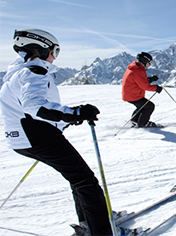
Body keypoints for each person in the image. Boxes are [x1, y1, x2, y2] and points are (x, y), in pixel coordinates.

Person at [0, 29, 112, 235]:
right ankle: (102, 232)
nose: (55, 57)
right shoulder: (35, 72)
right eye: (55, 50)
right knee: (87, 183)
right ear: (41, 49)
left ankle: (88, 223)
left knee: (77, 179)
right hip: (39, 138)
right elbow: (34, 107)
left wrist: (64, 120)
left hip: (22, 139)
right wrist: (75, 113)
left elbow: (25, 111)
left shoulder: (15, 75)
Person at [122, 52, 163, 128]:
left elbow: (140, 81)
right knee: (149, 106)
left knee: (142, 106)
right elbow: (145, 86)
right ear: (145, 61)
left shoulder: (136, 68)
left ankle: (134, 120)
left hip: (131, 94)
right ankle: (142, 124)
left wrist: (151, 79)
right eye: (149, 63)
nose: (149, 65)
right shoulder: (137, 71)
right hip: (133, 95)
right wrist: (156, 88)